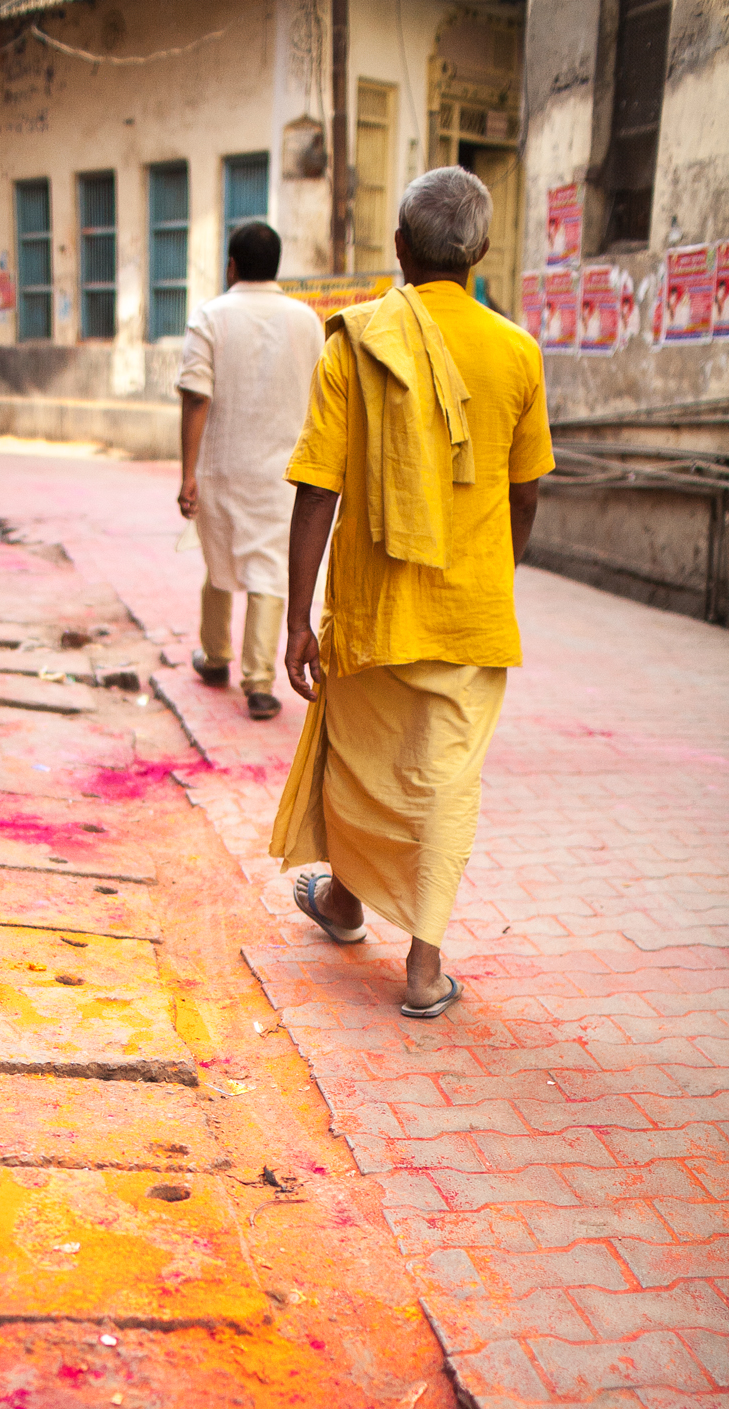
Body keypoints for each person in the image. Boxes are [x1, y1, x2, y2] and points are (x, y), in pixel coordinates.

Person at [269, 165, 554, 1018]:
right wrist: (495, 576)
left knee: (359, 769)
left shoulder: (354, 339)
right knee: (444, 785)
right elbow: (527, 489)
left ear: (399, 248)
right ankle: (416, 964)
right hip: (469, 614)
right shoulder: (517, 351)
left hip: (371, 608)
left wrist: (295, 622)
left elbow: (317, 487)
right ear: (483, 252)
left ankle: (351, 904)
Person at [176, 221, 324, 719]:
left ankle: (216, 656)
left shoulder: (210, 316)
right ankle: (259, 684)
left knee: (218, 557)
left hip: (222, 465)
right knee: (268, 571)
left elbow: (196, 395)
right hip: (286, 471)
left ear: (232, 265)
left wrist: (187, 473)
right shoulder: (308, 322)